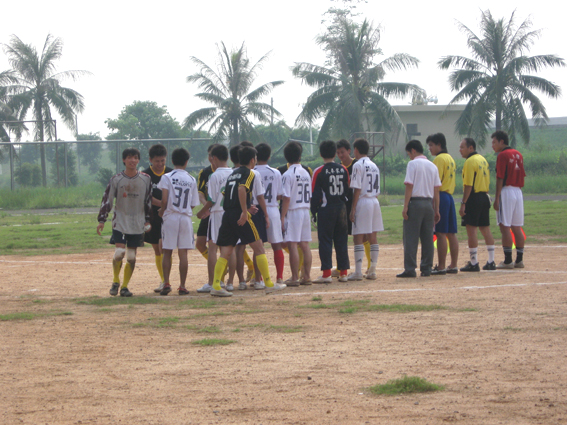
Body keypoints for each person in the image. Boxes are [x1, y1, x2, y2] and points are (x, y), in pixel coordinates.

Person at [210, 145, 286, 297]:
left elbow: (226, 194)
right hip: (240, 215)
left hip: (227, 214)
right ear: (252, 160)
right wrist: (245, 211)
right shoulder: (251, 173)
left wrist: (240, 206)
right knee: (259, 248)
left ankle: (216, 285)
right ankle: (268, 284)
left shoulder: (233, 174)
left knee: (226, 251)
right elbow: (242, 189)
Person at [97, 148, 152, 297]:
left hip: (137, 222)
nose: (132, 160)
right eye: (129, 157)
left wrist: (147, 220)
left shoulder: (146, 179)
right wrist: (102, 220)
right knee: (119, 253)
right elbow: (107, 199)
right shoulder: (116, 179)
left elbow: (148, 200)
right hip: (120, 221)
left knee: (131, 257)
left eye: (135, 158)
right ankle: (115, 281)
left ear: (138, 160)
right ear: (124, 160)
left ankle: (125, 287)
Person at [157, 148, 199, 295]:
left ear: (172, 161)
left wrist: (162, 210)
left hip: (171, 216)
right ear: (186, 162)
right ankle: (182, 285)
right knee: (183, 253)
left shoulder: (167, 177)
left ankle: (166, 283)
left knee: (167, 251)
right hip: (185, 217)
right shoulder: (191, 179)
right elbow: (193, 203)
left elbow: (164, 199)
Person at [396, 140, 441, 278]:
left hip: (415, 203)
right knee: (427, 238)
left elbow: (409, 186)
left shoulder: (413, 164)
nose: (409, 156)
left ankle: (410, 269)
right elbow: (436, 190)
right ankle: (426, 268)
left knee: (410, 238)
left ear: (413, 151)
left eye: (409, 153)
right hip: (428, 204)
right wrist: (436, 209)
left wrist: (405, 206)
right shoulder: (433, 166)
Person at [196, 144, 235, 293]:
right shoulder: (234, 173)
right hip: (231, 212)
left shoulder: (214, 175)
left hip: (217, 213)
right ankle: (230, 282)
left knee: (212, 247)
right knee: (230, 248)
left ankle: (212, 282)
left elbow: (211, 200)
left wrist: (201, 212)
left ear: (214, 158)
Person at [311, 140, 350, 283]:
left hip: (326, 209)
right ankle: (343, 272)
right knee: (341, 240)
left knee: (325, 241)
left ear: (321, 154)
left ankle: (326, 274)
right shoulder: (343, 169)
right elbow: (347, 188)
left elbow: (315, 194)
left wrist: (313, 212)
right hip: (341, 208)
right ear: (335, 154)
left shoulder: (319, 171)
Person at [458, 138, 496, 272]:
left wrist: (463, 203)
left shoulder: (469, 161)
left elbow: (468, 185)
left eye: (462, 147)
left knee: (471, 230)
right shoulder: (483, 159)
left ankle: (474, 263)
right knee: (485, 229)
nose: (460, 150)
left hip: (473, 197)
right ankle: (491, 261)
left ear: (471, 148)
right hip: (484, 196)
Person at [348, 138, 384, 281]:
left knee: (358, 237)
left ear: (356, 150)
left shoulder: (358, 165)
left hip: (363, 201)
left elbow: (357, 188)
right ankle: (372, 270)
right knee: (372, 236)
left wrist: (353, 208)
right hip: (374, 201)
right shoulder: (374, 165)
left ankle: (358, 272)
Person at [335, 139, 371, 274]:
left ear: (349, 151)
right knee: (341, 236)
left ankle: (369, 266)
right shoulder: (338, 168)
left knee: (363, 235)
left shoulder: (358, 164)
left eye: (342, 152)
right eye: (338, 153)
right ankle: (341, 267)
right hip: (342, 206)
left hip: (357, 204)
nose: (340, 155)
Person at [425, 133, 459, 275]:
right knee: (451, 233)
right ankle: (453, 265)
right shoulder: (450, 158)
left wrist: (435, 205)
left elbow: (435, 183)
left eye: (431, 145)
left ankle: (441, 266)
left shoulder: (439, 159)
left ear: (439, 145)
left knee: (440, 233)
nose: (430, 148)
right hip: (449, 196)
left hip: (441, 196)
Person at [492, 130, 526, 269]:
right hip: (518, 191)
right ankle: (519, 260)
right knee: (516, 227)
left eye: (494, 142)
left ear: (502, 142)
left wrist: (497, 198)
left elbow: (500, 177)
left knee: (504, 226)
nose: (493, 145)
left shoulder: (502, 155)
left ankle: (507, 261)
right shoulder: (518, 154)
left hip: (506, 191)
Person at [281, 141, 313, 286]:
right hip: (305, 209)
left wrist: (282, 216)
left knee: (292, 244)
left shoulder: (287, 174)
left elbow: (286, 198)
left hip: (294, 211)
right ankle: (306, 276)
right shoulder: (306, 173)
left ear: (286, 157)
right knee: (305, 244)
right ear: (300, 156)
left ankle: (294, 277)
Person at [143, 144, 173, 293]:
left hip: (168, 215)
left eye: (162, 161)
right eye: (157, 161)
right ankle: (163, 280)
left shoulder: (171, 173)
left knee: (165, 247)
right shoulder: (145, 175)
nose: (160, 164)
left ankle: (166, 281)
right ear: (150, 160)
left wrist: (166, 207)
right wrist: (162, 204)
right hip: (153, 215)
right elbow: (146, 197)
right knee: (156, 248)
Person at [254, 143, 285, 285]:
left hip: (256, 210)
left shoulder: (252, 171)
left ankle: (259, 279)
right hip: (272, 209)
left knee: (258, 247)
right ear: (269, 156)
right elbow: (279, 195)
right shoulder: (275, 172)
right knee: (277, 245)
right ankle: (279, 277)